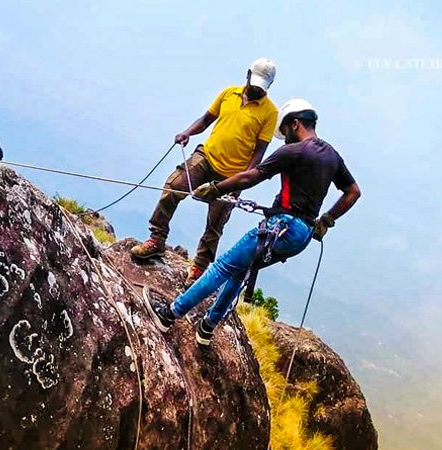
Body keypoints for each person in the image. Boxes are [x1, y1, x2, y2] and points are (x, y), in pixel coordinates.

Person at [144, 98, 362, 346]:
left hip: (281, 227)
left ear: (295, 124)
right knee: (239, 271)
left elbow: (252, 176)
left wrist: (216, 188)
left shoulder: (294, 151)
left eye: (286, 132)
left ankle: (169, 314)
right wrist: (327, 219)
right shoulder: (332, 156)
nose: (285, 138)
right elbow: (353, 191)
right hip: (301, 235)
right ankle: (207, 327)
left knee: (224, 267)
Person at [130, 58, 279, 286]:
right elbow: (207, 119)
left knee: (216, 222)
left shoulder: (269, 112)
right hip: (207, 157)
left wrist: (244, 180)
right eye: (255, 83)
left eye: (262, 87)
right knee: (174, 186)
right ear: (248, 75)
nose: (257, 89)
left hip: (233, 174)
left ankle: (199, 267)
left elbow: (259, 152)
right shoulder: (229, 94)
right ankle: (157, 239)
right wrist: (187, 132)